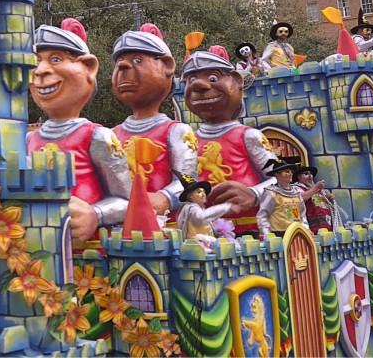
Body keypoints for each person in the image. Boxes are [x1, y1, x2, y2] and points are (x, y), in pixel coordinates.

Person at [25, 18, 129, 243]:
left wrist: (96, 214)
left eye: (56, 59)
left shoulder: (97, 136)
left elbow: (127, 201)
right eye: (35, 62)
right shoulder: (27, 139)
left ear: (89, 67)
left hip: (87, 254)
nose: (41, 71)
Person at [183, 46, 278, 237]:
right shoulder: (189, 139)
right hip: (203, 231)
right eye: (191, 80)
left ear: (236, 81)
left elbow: (282, 179)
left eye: (212, 78)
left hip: (247, 229)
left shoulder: (248, 136)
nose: (198, 86)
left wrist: (254, 194)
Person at [110, 24, 199, 215]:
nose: (123, 66)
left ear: (166, 65)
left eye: (137, 60)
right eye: (119, 61)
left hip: (167, 228)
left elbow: (187, 180)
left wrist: (165, 198)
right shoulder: (111, 135)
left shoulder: (176, 131)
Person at [256, 157, 322, 238]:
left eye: (291, 171)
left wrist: (306, 229)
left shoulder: (296, 193)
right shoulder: (271, 192)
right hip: (279, 235)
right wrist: (267, 235)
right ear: (277, 174)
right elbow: (263, 215)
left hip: (297, 233)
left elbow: (302, 215)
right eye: (287, 172)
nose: (291, 174)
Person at [175, 172, 234, 252]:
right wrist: (225, 207)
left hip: (205, 247)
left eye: (204, 192)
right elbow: (201, 218)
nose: (203, 194)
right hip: (197, 249)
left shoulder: (200, 208)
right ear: (190, 196)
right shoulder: (191, 208)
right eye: (199, 192)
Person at [293, 164, 346, 233]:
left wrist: (329, 200)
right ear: (298, 176)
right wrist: (316, 188)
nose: (310, 176)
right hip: (311, 230)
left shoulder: (318, 190)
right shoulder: (296, 188)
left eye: (311, 174)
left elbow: (318, 204)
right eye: (306, 174)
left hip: (327, 228)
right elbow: (301, 198)